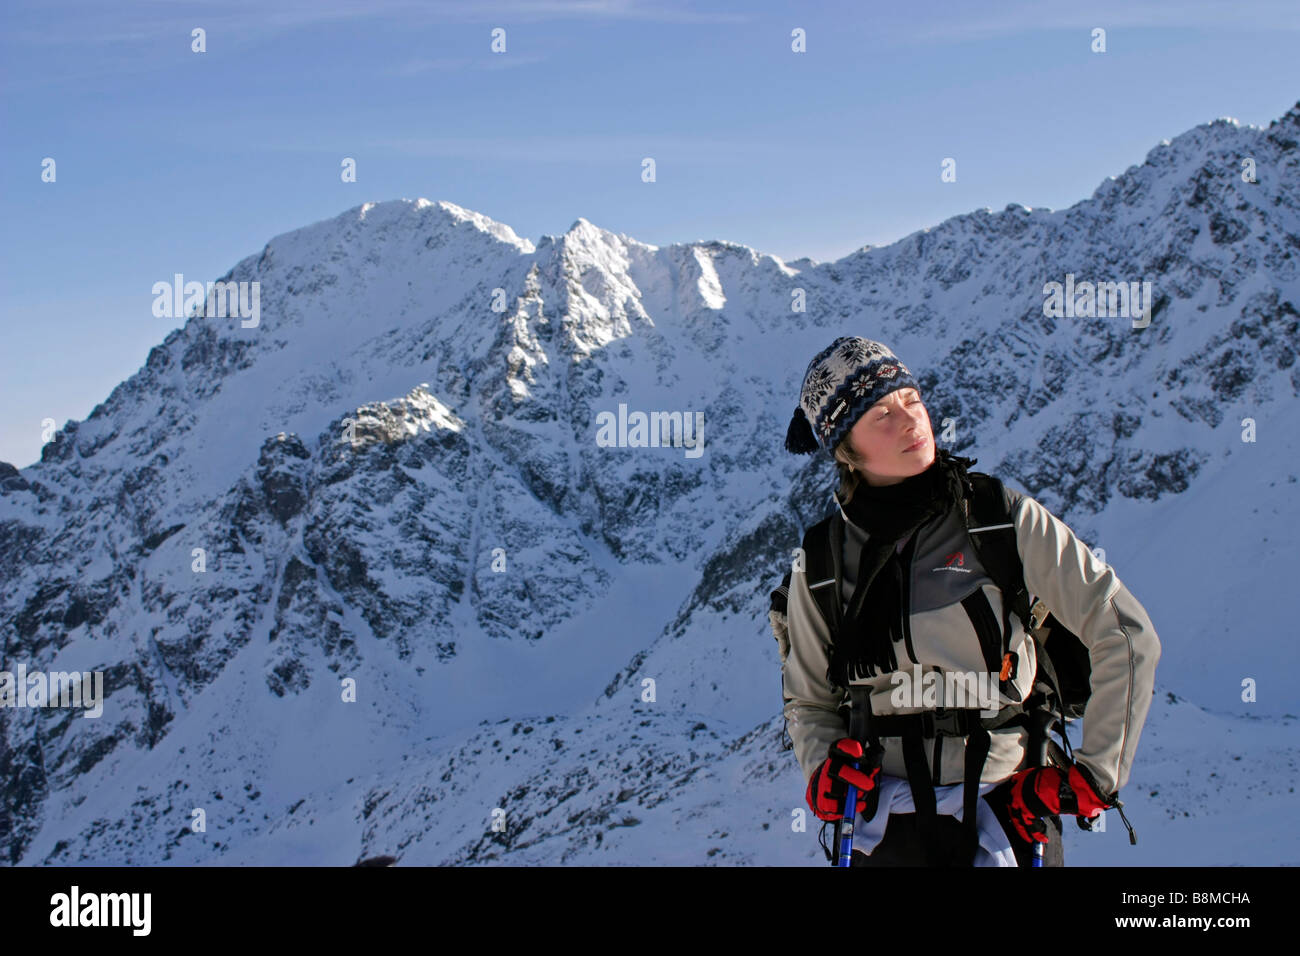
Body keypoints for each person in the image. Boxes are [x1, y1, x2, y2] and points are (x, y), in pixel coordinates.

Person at [780, 336, 1162, 866]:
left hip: (1007, 807)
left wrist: (1095, 776)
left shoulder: (997, 519)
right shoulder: (823, 560)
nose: (911, 421)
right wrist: (823, 766)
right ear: (847, 450)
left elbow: (1123, 630)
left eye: (911, 399)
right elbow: (810, 701)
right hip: (883, 824)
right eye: (881, 415)